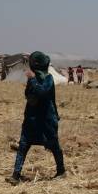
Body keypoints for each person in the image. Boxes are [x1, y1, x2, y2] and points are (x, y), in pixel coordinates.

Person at [6, 52, 66, 185]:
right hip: (32, 119)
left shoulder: (49, 78)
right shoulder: (32, 79)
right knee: (23, 145)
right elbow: (28, 94)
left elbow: (43, 92)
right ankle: (16, 175)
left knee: (54, 146)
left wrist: (33, 79)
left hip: (46, 120)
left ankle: (61, 171)